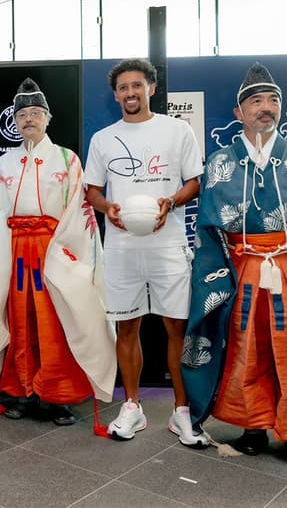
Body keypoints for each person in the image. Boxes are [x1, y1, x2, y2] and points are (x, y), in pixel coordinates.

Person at [181, 62, 287, 463]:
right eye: (255, 101)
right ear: (239, 113)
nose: (265, 107)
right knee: (248, 348)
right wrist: (213, 278)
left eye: (272, 100)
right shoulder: (219, 163)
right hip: (244, 265)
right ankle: (253, 426)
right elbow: (209, 229)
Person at [0, 78, 115, 427]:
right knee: (19, 321)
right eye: (21, 114)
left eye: (35, 113)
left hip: (53, 248)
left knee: (54, 322)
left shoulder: (67, 159)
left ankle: (56, 395)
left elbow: (76, 212)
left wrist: (67, 255)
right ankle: (20, 390)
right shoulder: (5, 163)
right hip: (15, 250)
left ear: (48, 118)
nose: (28, 120)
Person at [84, 58, 208, 448]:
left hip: (168, 242)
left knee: (175, 326)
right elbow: (92, 191)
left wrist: (170, 202)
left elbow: (194, 182)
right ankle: (133, 406)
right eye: (123, 88)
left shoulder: (177, 131)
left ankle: (181, 412)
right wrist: (109, 210)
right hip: (121, 245)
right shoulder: (103, 138)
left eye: (137, 85)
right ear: (116, 94)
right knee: (128, 326)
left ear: (151, 88)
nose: (130, 93)